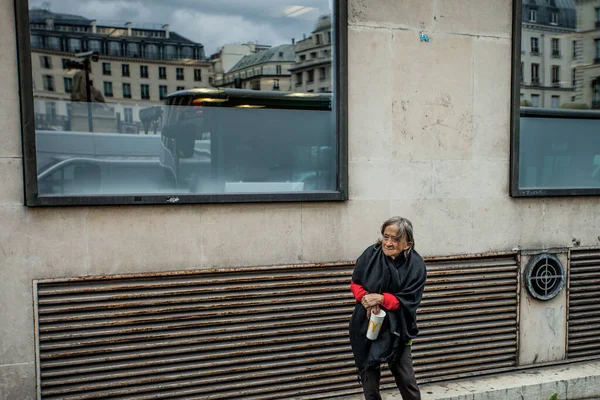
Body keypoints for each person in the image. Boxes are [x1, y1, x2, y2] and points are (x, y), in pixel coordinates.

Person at [349, 216, 427, 400]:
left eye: (395, 239)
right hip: (366, 323)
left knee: (406, 380)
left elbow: (408, 300)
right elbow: (355, 283)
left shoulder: (416, 266)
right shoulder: (370, 255)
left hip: (397, 329)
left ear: (407, 244)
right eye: (386, 237)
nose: (388, 243)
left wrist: (382, 299)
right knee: (369, 378)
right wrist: (366, 299)